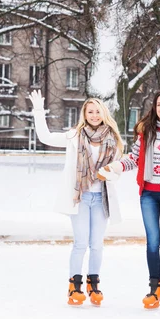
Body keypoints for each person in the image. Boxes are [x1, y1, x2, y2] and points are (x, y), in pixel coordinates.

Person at [102, 89, 160, 311]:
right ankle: (155, 289)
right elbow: (134, 158)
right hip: (149, 195)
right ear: (154, 108)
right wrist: (115, 166)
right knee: (152, 243)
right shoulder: (145, 132)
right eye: (159, 105)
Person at [29, 89, 124, 306]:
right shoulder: (74, 136)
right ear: (85, 114)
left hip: (101, 198)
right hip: (80, 198)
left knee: (97, 244)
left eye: (97, 112)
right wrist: (37, 111)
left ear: (103, 113)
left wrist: (109, 173)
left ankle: (94, 285)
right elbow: (45, 137)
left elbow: (117, 171)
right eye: (90, 112)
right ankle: (75, 287)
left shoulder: (112, 139)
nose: (94, 115)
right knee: (81, 243)